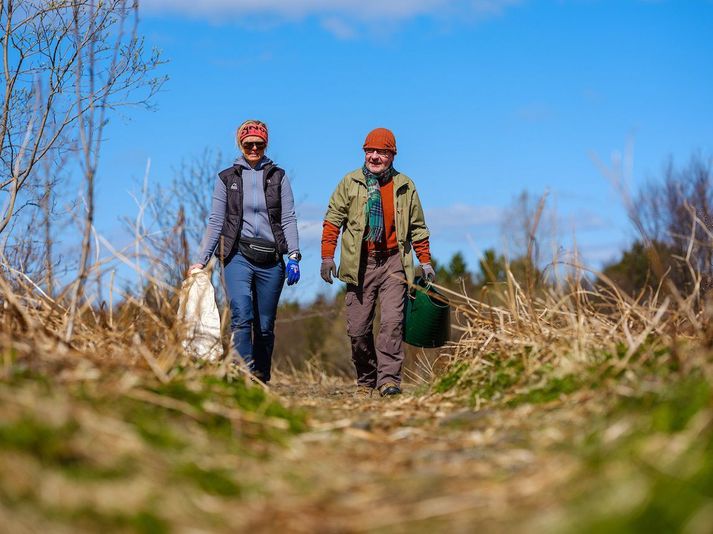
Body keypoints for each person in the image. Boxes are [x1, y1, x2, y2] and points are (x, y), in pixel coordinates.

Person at [320, 127, 435, 398]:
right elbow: (333, 219)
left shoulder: (405, 186)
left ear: (392, 155)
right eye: (370, 151)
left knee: (392, 323)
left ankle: (389, 381)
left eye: (381, 152)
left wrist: (425, 261)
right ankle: (366, 380)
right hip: (361, 263)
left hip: (395, 261)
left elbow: (418, 227)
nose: (374, 157)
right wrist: (327, 256)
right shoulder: (350, 183)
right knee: (358, 329)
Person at [190, 120, 301, 383]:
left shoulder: (278, 177)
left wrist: (294, 255)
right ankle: (241, 375)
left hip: (271, 258)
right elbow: (216, 220)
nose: (254, 148)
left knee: (264, 326)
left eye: (259, 144)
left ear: (266, 145)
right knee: (241, 314)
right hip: (236, 255)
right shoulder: (227, 178)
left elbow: (289, 218)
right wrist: (201, 261)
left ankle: (260, 377)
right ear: (240, 144)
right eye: (248, 144)